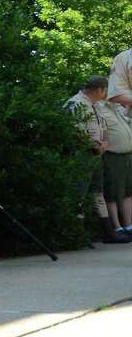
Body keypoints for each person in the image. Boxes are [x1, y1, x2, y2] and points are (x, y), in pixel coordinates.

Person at [65, 76, 126, 244]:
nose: (107, 93)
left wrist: (103, 144)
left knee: (97, 192)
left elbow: (103, 127)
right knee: (79, 193)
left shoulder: (96, 105)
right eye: (106, 90)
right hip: (81, 155)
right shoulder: (76, 103)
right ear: (99, 89)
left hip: (96, 155)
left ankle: (108, 233)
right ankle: (77, 235)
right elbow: (74, 131)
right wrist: (94, 145)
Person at [94, 94, 132, 240]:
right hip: (112, 155)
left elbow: (128, 121)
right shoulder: (98, 107)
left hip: (127, 155)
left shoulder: (116, 106)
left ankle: (128, 226)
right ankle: (117, 228)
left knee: (128, 192)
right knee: (112, 193)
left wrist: (128, 106)